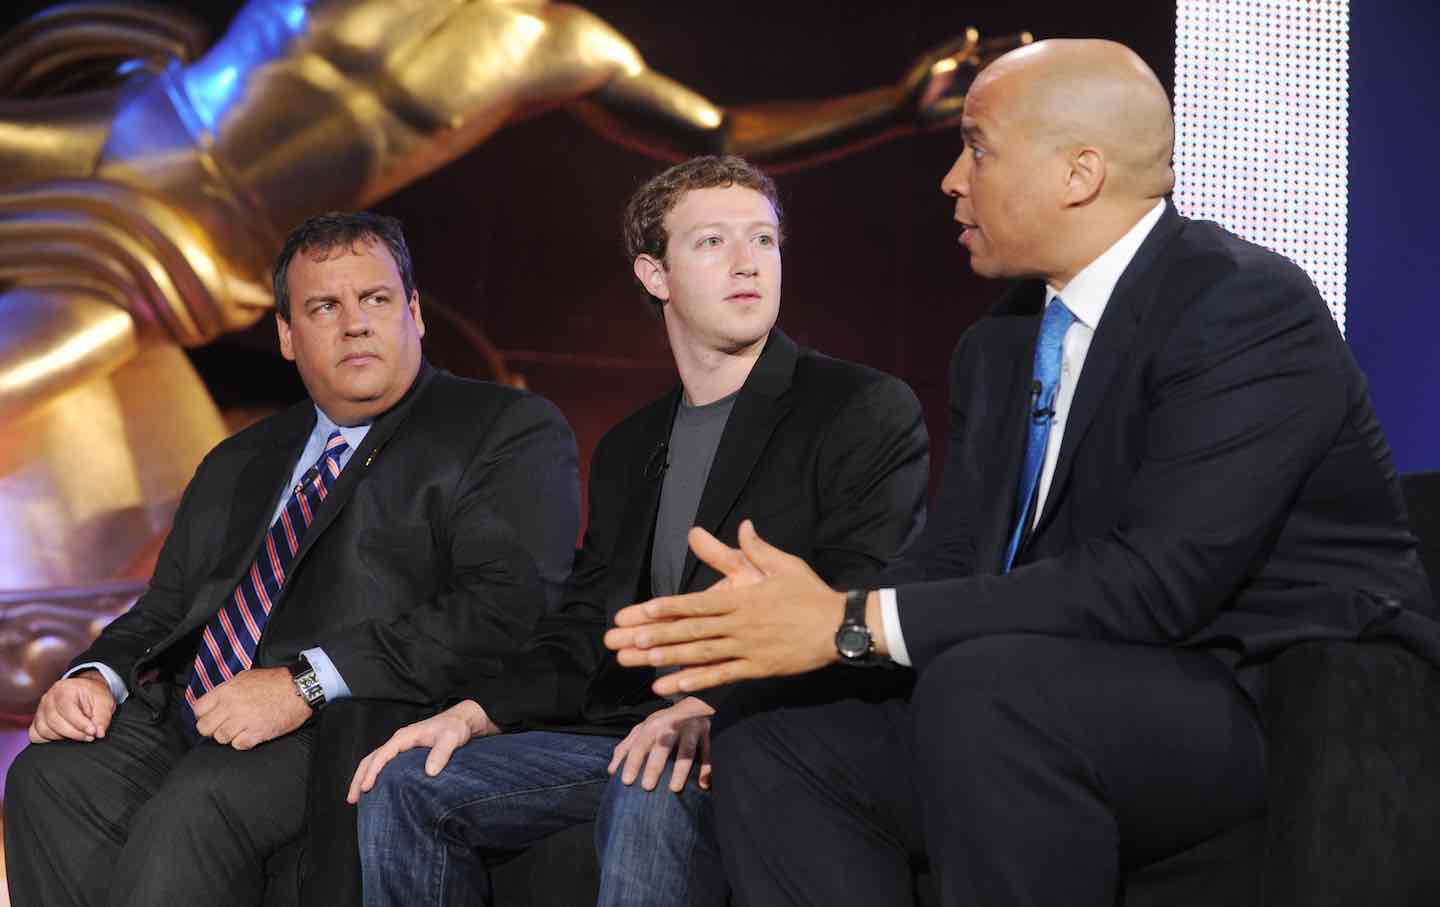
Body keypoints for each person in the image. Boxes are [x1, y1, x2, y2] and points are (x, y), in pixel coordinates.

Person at [605, 40, 1439, 906]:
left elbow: (1158, 583)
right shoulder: (1001, 342)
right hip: (1061, 680)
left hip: (1267, 694)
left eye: (977, 146)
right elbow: (958, 552)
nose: (951, 180)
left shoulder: (1244, 307)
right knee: (775, 731)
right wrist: (788, 637)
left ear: (1079, 173)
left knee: (986, 690)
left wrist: (848, 623)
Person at [349, 156, 929, 906]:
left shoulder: (859, 407)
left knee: (653, 779)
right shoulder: (630, 444)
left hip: (778, 724)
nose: (747, 263)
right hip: (628, 726)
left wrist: (718, 704)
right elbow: (590, 622)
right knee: (408, 782)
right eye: (712, 243)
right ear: (655, 275)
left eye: (763, 240)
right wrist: (471, 712)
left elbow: (863, 589)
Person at [3, 211, 580, 907]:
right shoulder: (242, 457)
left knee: (202, 800)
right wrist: (97, 676)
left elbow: (503, 608)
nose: (356, 323)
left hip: (347, 719)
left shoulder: (500, 429)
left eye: (376, 299)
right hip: (189, 711)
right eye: (324, 306)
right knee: (50, 774)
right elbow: (164, 606)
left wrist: (303, 683)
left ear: (415, 314)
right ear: (286, 335)